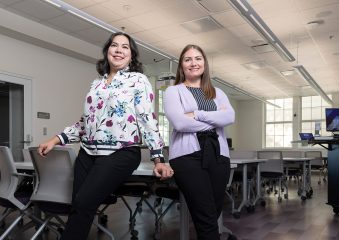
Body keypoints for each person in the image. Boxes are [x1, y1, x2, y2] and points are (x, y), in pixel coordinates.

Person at [38, 32, 173, 240]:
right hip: (88, 152)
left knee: (84, 201)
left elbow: (147, 119)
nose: (119, 50)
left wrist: (158, 158)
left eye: (125, 47)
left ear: (132, 55)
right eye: (114, 45)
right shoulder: (96, 84)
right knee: (79, 207)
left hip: (121, 152)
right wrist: (55, 139)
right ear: (107, 51)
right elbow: (85, 122)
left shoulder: (138, 80)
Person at [163, 44, 236, 240]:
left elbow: (229, 117)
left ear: (204, 63)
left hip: (219, 155)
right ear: (181, 66)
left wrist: (196, 114)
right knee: (205, 216)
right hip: (187, 157)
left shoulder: (217, 92)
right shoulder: (173, 92)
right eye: (188, 59)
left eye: (198, 58)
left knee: (214, 212)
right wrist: (214, 121)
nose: (193, 63)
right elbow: (179, 122)